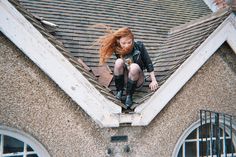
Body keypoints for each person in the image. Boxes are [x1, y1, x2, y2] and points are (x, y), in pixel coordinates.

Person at [97, 26, 158, 108]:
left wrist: (153, 80)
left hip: (137, 79)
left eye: (129, 42)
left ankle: (129, 96)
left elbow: (148, 63)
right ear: (119, 42)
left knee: (134, 66)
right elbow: (122, 66)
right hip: (126, 78)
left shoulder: (139, 46)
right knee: (118, 62)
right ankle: (120, 91)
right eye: (124, 43)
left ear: (133, 39)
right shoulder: (118, 49)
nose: (127, 45)